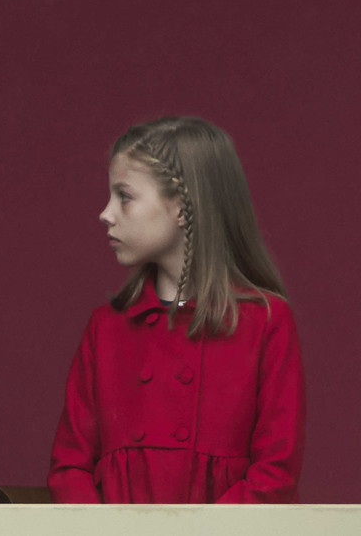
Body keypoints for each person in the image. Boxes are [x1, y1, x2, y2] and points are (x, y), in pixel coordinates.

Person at [47, 116, 306, 503]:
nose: (106, 213)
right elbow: (70, 468)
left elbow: (275, 475)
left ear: (183, 208)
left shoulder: (265, 322)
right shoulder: (107, 328)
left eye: (125, 196)